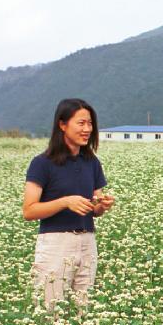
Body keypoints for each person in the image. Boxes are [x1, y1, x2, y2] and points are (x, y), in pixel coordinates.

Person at [23, 98, 115, 310]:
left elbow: (94, 208)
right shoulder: (42, 163)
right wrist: (66, 202)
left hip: (87, 242)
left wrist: (102, 205)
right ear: (62, 125)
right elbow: (29, 210)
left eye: (90, 124)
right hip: (56, 243)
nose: (87, 129)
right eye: (81, 123)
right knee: (50, 309)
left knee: (83, 310)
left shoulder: (92, 162)